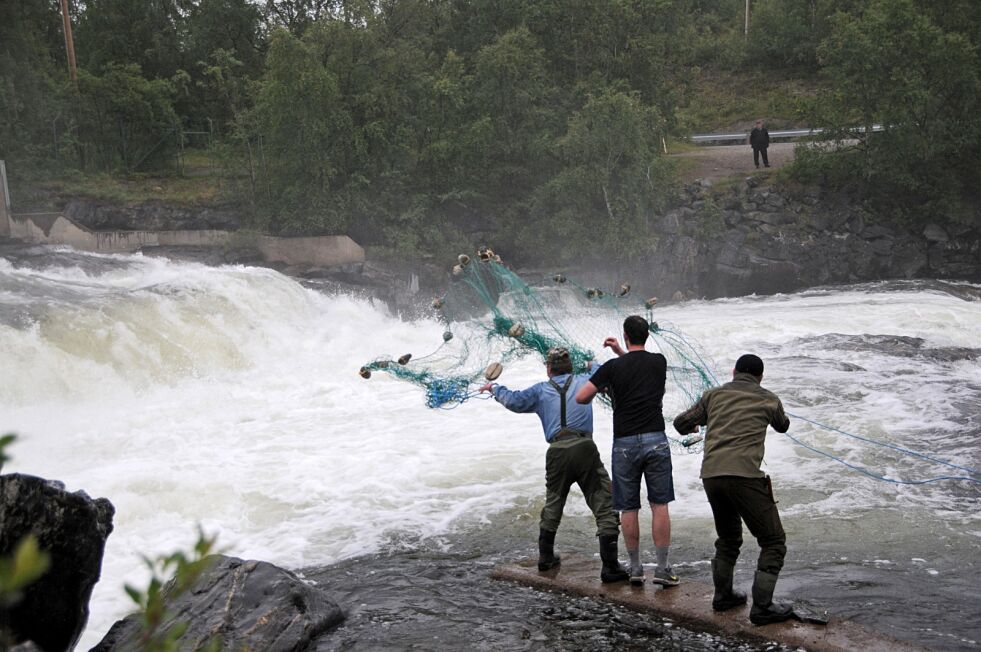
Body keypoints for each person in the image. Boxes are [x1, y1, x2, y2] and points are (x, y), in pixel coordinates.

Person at [480, 347, 630, 583]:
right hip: (584, 448)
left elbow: (515, 401)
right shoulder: (585, 380)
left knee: (554, 502)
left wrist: (494, 389)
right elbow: (606, 371)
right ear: (570, 366)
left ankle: (546, 558)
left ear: (549, 369)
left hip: (556, 452)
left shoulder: (540, 390)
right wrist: (591, 363)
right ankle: (610, 567)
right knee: (604, 502)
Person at [672, 354, 794, 625]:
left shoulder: (712, 395)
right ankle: (762, 607)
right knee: (773, 542)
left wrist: (698, 424)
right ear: (761, 377)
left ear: (734, 371)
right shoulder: (769, 398)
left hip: (712, 476)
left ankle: (723, 596)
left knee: (728, 538)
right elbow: (783, 426)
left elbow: (681, 424)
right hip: (746, 477)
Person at [574, 315, 678, 588]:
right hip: (656, 439)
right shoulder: (659, 362)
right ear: (646, 336)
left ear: (626, 336)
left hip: (625, 444)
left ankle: (634, 569)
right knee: (659, 505)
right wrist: (621, 352)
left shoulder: (611, 368)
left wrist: (609, 373)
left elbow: (581, 397)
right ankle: (664, 569)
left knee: (628, 507)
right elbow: (637, 366)